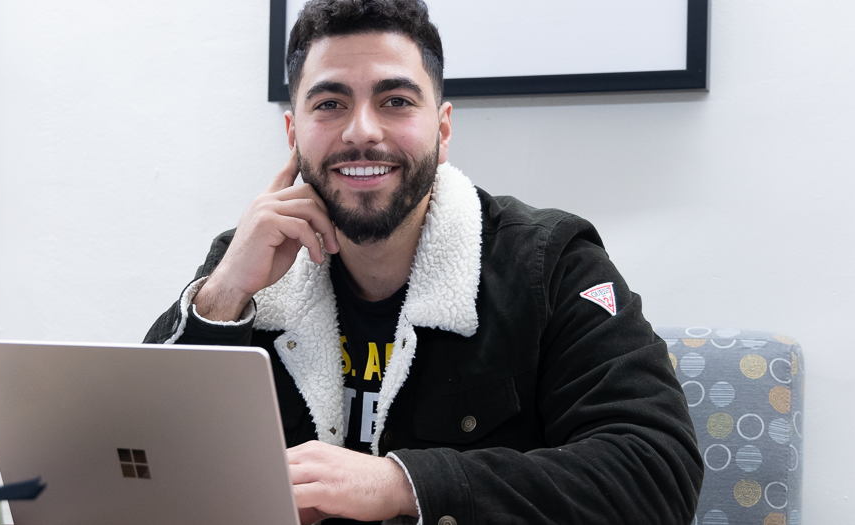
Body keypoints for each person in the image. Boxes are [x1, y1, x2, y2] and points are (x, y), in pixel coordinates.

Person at [144, 1, 702, 523]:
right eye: (330, 104)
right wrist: (221, 299)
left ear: (442, 128)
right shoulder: (248, 262)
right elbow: (136, 455)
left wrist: (402, 483)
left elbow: (655, 473)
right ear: (293, 133)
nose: (362, 130)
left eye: (396, 101)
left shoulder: (549, 265)